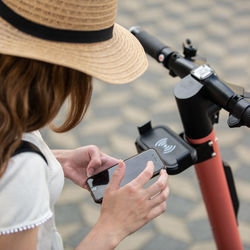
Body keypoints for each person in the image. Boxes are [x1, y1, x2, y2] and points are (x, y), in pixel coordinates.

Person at [0, 0, 170, 249]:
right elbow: (15, 174)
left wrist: (56, 160)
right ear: (62, 74)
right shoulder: (23, 169)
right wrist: (111, 228)